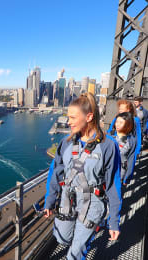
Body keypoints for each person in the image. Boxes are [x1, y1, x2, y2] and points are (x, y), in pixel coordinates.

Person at [44, 93, 121, 260]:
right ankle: (79, 238)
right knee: (62, 237)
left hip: (93, 203)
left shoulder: (108, 146)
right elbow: (55, 171)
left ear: (89, 117)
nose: (68, 121)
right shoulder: (66, 142)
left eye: (72, 117)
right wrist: (49, 200)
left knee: (75, 252)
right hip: (68, 197)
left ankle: (82, 243)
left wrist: (114, 220)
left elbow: (113, 185)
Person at [110, 112, 136, 185]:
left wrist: (127, 178)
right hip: (105, 171)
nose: (117, 124)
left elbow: (131, 159)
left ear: (128, 125)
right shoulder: (109, 135)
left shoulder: (131, 141)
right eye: (117, 121)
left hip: (119, 172)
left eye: (121, 122)